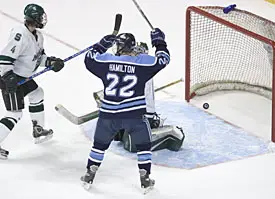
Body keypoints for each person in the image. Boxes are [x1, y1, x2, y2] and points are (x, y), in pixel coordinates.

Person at [81, 28, 170, 192]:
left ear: (119, 47)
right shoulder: (143, 61)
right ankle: (145, 178)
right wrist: (159, 42)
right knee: (143, 146)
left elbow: (88, 58)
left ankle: (89, 174)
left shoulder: (106, 60)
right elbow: (163, 59)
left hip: (108, 115)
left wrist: (101, 45)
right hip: (134, 115)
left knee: (99, 145)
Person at [0, 4, 64, 159]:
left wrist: (50, 62)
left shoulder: (38, 36)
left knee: (37, 93)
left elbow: (38, 57)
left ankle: (38, 130)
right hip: (10, 78)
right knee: (14, 114)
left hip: (23, 77)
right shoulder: (20, 35)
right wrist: (8, 77)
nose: (43, 19)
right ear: (34, 18)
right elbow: (4, 58)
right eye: (41, 16)